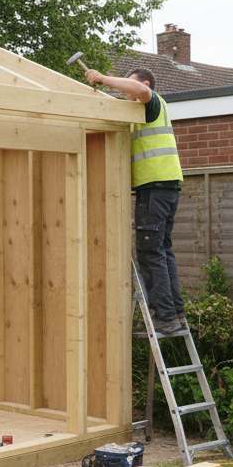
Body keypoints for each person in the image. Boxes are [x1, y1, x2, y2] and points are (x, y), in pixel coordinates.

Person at [83, 66, 187, 337]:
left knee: (150, 253)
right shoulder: (141, 113)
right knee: (163, 252)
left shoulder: (150, 102)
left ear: (145, 84)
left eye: (128, 86)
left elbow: (139, 92)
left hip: (154, 187)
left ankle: (165, 318)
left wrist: (103, 79)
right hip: (165, 187)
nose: (126, 92)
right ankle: (176, 315)